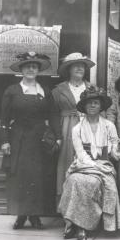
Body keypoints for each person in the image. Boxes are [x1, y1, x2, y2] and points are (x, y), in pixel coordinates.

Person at [0, 51, 61, 229]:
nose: (31, 69)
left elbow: (54, 115)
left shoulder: (45, 92)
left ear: (38, 70)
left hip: (39, 140)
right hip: (18, 139)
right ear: (21, 69)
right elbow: (3, 119)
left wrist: (58, 137)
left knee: (37, 177)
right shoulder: (11, 91)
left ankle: (35, 216)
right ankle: (20, 215)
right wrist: (4, 141)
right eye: (27, 66)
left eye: (34, 66)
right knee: (20, 177)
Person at [58, 86, 120, 240]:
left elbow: (114, 151)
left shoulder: (109, 126)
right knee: (74, 180)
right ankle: (73, 224)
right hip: (83, 165)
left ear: (101, 106)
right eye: (89, 103)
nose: (92, 106)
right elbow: (80, 154)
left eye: (96, 103)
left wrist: (118, 151)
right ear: (84, 107)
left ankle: (83, 226)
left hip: (104, 164)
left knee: (91, 182)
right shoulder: (77, 129)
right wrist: (94, 166)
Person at [52, 52, 95, 200]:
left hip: (88, 127)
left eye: (82, 65)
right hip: (67, 128)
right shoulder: (58, 90)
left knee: (87, 162)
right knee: (67, 163)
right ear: (68, 69)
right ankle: (65, 205)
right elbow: (53, 115)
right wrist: (57, 134)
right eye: (75, 65)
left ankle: (84, 203)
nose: (79, 68)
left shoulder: (92, 89)